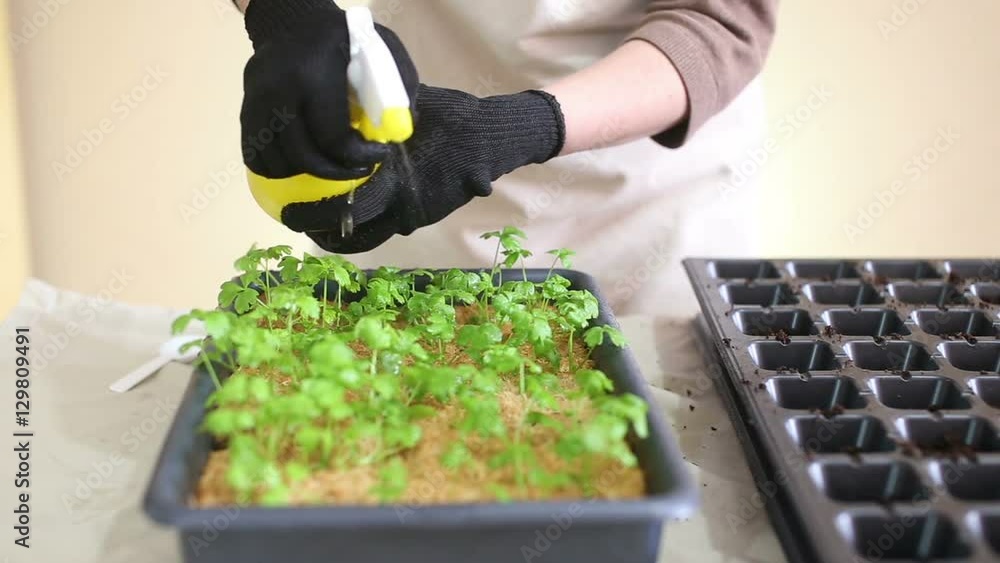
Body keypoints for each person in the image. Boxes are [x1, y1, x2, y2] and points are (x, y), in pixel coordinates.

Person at [234, 0, 777, 316]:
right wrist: (288, 12)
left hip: (640, 202)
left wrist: (521, 126)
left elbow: (717, 24)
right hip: (410, 159)